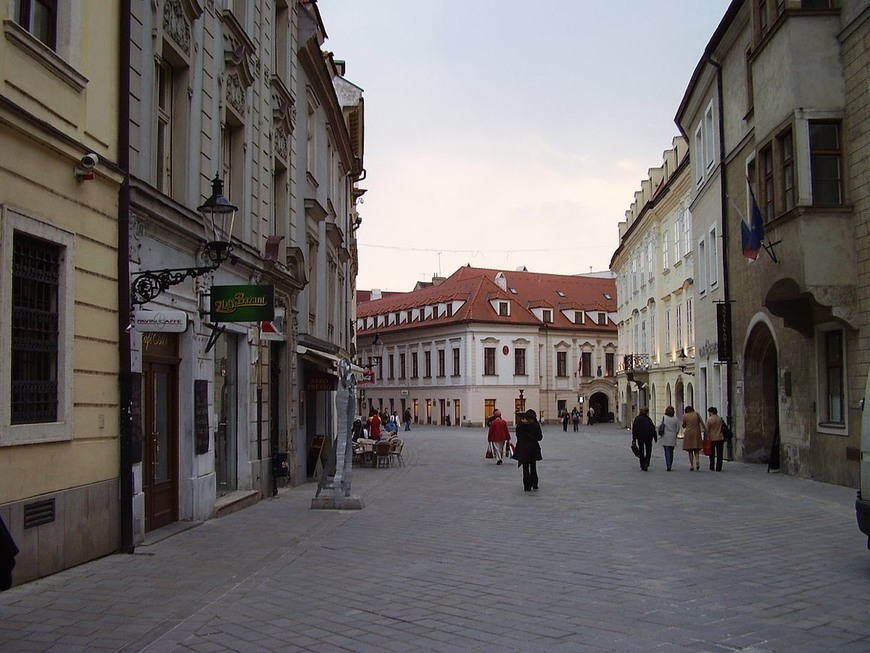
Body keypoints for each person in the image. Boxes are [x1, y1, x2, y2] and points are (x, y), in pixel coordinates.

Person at [514, 409, 543, 491]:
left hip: (523, 448)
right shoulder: (535, 425)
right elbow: (539, 437)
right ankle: (534, 483)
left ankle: (527, 485)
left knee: (525, 467)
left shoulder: (520, 424)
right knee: (533, 466)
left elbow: (517, 435)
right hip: (533, 448)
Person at [631, 407, 657, 471]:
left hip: (640, 437)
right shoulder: (648, 419)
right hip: (648, 437)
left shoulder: (637, 419)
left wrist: (634, 439)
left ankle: (642, 464)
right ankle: (647, 462)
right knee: (648, 450)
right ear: (647, 412)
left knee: (641, 450)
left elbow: (634, 429)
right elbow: (652, 428)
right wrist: (655, 437)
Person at [681, 405, 704, 471]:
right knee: (696, 449)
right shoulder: (696, 414)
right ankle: (697, 460)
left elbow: (684, 425)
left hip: (689, 433)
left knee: (690, 450)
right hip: (697, 432)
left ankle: (691, 465)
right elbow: (701, 423)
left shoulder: (685, 416)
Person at [659, 406, 681, 471]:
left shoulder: (664, 418)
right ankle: (670, 463)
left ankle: (668, 465)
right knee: (671, 451)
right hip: (672, 437)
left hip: (665, 436)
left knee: (666, 451)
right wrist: (675, 434)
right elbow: (678, 428)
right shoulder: (675, 419)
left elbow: (659, 425)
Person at [705, 406, 725, 472]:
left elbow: (707, 429)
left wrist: (707, 436)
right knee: (720, 453)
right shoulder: (720, 419)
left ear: (711, 412)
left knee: (712, 453)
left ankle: (712, 465)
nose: (709, 414)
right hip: (720, 437)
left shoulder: (709, 419)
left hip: (712, 438)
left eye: (709, 412)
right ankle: (719, 467)